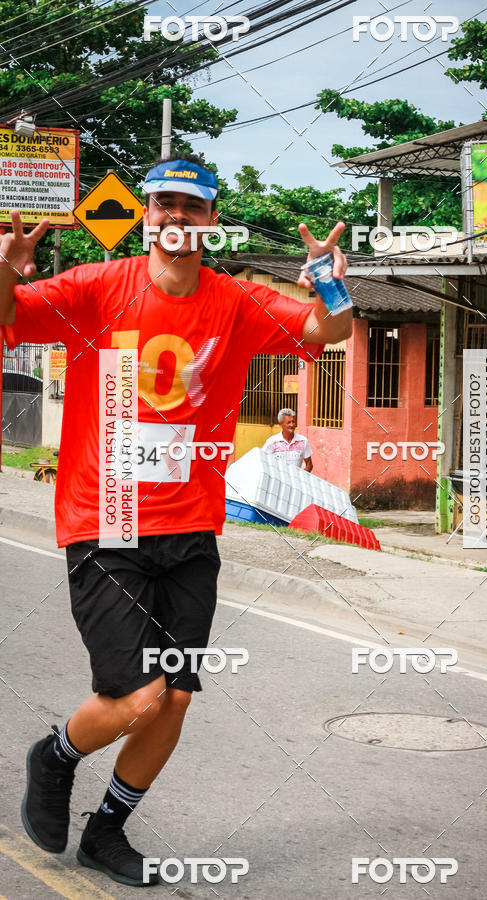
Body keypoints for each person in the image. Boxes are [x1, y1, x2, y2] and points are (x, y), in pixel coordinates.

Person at [0, 153, 352, 887]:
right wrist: (6, 269)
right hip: (109, 516)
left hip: (191, 521)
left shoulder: (236, 300)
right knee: (136, 697)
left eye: (191, 208)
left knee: (178, 695)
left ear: (211, 221)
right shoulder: (99, 287)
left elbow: (331, 331)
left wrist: (329, 279)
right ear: (147, 213)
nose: (174, 218)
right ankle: (55, 756)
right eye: (162, 204)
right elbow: (7, 315)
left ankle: (107, 832)